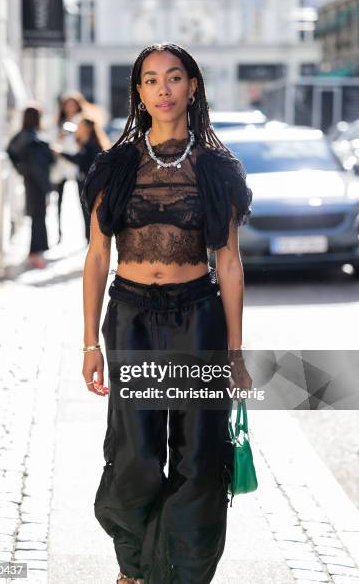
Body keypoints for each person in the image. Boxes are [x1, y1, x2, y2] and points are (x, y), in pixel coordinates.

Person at [80, 43, 253, 584]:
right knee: (134, 453)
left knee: (199, 455)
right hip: (130, 316)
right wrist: (90, 343)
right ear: (139, 92)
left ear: (192, 87)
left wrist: (234, 353)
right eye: (151, 80)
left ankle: (184, 571)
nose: (163, 89)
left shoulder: (216, 169)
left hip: (197, 316)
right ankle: (133, 567)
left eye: (174, 78)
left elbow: (228, 263)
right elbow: (97, 256)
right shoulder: (117, 165)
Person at [7, 104, 54, 269]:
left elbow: (11, 152)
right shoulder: (31, 137)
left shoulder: (24, 135)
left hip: (33, 181)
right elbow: (36, 162)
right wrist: (23, 169)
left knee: (38, 217)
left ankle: (36, 252)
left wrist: (21, 169)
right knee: (38, 217)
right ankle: (35, 253)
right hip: (36, 182)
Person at [58, 118, 104, 244]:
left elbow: (80, 160)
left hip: (89, 184)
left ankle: (91, 240)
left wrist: (61, 153)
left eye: (80, 126)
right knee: (86, 213)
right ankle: (89, 240)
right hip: (85, 182)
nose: (77, 129)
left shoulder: (92, 145)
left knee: (89, 213)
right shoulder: (86, 143)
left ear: (87, 128)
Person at [51, 92, 84, 243]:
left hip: (77, 163)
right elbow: (53, 141)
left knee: (83, 199)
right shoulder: (59, 122)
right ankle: (58, 234)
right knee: (58, 200)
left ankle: (87, 235)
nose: (70, 108)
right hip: (61, 163)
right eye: (67, 105)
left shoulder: (82, 121)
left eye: (73, 104)